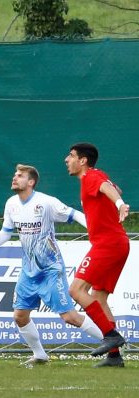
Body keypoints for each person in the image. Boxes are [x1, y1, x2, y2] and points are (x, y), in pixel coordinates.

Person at [0, 164, 104, 365]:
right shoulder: (11, 204)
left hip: (51, 270)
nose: (14, 178)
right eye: (14, 175)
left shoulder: (46, 202)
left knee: (70, 317)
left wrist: (96, 229)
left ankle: (112, 342)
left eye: (19, 176)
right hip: (28, 272)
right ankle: (40, 355)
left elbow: (75, 214)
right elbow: (6, 232)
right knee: (19, 316)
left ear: (31, 182)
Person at [65, 143, 130, 367]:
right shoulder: (95, 177)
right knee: (99, 298)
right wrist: (114, 197)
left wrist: (119, 204)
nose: (67, 160)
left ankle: (111, 335)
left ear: (83, 161)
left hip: (107, 245)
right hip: (117, 243)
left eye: (71, 156)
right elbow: (114, 188)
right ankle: (114, 356)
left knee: (76, 289)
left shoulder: (91, 176)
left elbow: (108, 188)